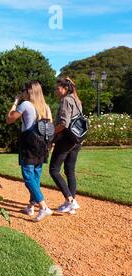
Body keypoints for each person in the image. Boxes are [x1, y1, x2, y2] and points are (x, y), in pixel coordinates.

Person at [6, 80, 53, 222]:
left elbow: (9, 119)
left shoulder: (25, 104)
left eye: (24, 90)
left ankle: (43, 207)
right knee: (36, 176)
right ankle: (31, 206)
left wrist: (15, 102)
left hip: (29, 143)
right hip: (42, 145)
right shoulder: (46, 107)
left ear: (29, 91)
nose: (22, 92)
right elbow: (50, 127)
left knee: (28, 177)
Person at [49, 77, 82, 215]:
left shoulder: (66, 100)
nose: (56, 91)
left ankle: (70, 201)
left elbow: (63, 123)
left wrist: (50, 133)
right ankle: (71, 203)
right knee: (69, 171)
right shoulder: (76, 100)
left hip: (65, 140)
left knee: (54, 170)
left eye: (58, 88)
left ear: (65, 88)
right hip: (76, 140)